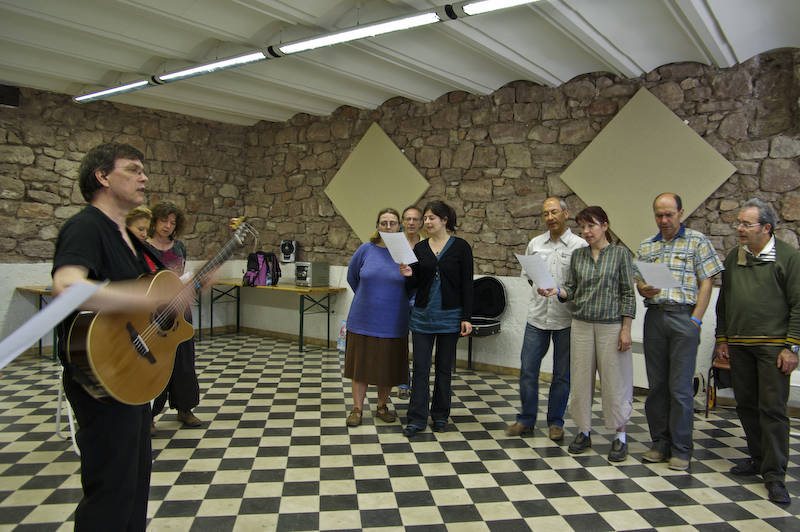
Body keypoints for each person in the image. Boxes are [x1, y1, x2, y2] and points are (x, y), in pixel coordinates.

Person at [52, 143, 184, 530]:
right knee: (110, 493)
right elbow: (67, 285)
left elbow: (144, 303)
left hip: (129, 373)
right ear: (103, 177)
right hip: (101, 374)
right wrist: (138, 295)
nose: (144, 177)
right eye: (133, 169)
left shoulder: (126, 236)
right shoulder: (86, 225)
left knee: (133, 485)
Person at [714, 198, 800, 504]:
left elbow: (798, 304)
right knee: (746, 405)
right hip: (739, 345)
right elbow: (723, 304)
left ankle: (775, 474)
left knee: (773, 409)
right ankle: (758, 458)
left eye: (745, 224)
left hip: (773, 348)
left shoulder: (788, 258)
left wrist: (792, 346)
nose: (738, 228)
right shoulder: (734, 258)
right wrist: (722, 339)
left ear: (766, 228)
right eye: (738, 223)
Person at [635, 193, 723, 471]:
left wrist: (696, 320)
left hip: (684, 317)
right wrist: (642, 289)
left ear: (681, 212)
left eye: (669, 214)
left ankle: (682, 448)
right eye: (659, 215)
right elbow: (640, 282)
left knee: (681, 388)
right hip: (656, 317)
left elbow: (706, 281)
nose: (664, 220)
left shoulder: (697, 241)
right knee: (657, 386)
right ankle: (660, 443)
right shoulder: (647, 245)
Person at [540, 206, 635, 462]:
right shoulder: (579, 256)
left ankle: (620, 436)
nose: (586, 231)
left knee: (615, 382)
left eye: (591, 225)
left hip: (611, 326)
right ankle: (583, 431)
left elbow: (628, 293)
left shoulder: (620, 254)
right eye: (583, 226)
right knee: (581, 381)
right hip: (581, 325)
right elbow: (571, 288)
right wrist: (555, 291)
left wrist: (626, 329)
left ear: (605, 225)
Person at [506, 197, 586, 441]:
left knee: (562, 375)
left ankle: (555, 422)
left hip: (567, 319)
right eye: (545, 214)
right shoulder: (535, 243)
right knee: (528, 370)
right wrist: (538, 284)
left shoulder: (579, 245)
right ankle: (526, 420)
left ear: (565, 213)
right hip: (538, 316)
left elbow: (583, 283)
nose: (550, 217)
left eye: (554, 212)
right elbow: (528, 274)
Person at [400, 201, 473, 437]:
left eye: (432, 218)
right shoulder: (420, 249)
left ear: (444, 220)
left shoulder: (461, 247)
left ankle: (440, 416)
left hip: (450, 317)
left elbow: (467, 285)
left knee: (444, 369)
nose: (427, 222)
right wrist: (408, 275)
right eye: (426, 218)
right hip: (422, 317)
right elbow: (413, 285)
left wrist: (467, 317)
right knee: (420, 369)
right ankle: (416, 418)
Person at [344, 208, 410, 426]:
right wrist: (369, 298)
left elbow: (414, 285)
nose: (388, 227)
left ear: (399, 226)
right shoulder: (366, 250)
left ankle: (382, 406)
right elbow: (352, 277)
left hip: (393, 320)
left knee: (387, 367)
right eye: (384, 223)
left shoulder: (406, 253)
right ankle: (357, 409)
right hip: (363, 319)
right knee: (360, 368)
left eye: (392, 223)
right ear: (377, 226)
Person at [146, 201, 202, 430]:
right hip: (153, 312)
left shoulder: (179, 248)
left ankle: (184, 408)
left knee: (184, 359)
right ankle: (148, 415)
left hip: (180, 309)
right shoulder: (143, 247)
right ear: (154, 221)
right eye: (163, 220)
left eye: (172, 222)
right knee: (155, 361)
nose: (168, 226)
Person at [396, 205, 424, 401]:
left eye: (415, 219)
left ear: (421, 222)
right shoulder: (395, 244)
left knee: (421, 343)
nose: (411, 223)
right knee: (400, 342)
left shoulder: (427, 244)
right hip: (397, 297)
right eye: (408, 219)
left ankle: (420, 384)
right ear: (403, 222)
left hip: (421, 298)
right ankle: (403, 383)